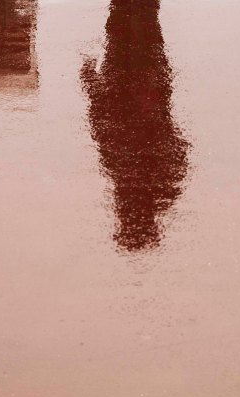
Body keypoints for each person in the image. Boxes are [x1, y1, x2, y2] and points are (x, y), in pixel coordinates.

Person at [81, 0, 190, 252]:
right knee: (141, 26)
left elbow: (102, 124)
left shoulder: (157, 186)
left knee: (130, 25)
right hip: (146, 90)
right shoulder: (161, 187)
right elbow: (103, 126)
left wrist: (91, 83)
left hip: (140, 89)